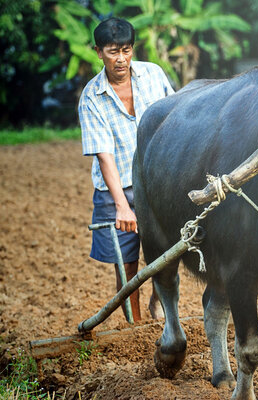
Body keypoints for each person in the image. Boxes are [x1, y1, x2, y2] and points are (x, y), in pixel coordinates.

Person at [78, 17, 174, 322]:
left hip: (158, 181)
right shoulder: (92, 98)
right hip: (118, 188)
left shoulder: (153, 75)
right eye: (112, 51)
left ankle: (160, 305)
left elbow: (175, 121)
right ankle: (135, 326)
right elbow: (105, 156)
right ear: (98, 52)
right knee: (128, 264)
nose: (120, 59)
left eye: (126, 50)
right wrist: (122, 206)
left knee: (168, 256)